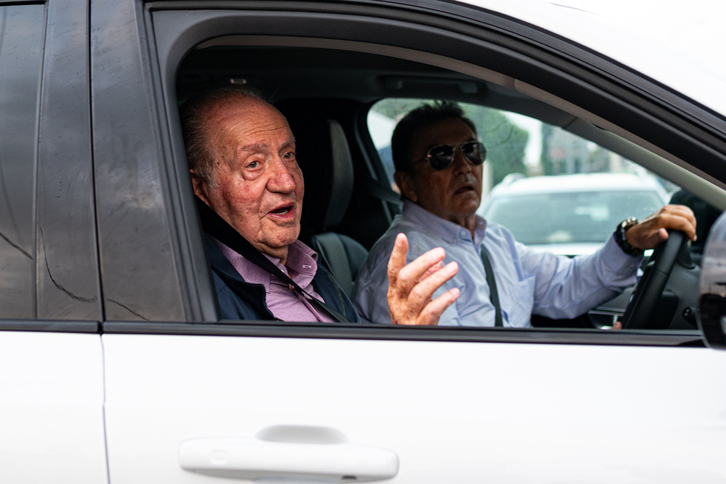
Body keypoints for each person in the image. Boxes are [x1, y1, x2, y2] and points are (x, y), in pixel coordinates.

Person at [352, 102, 697, 327]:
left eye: (471, 151)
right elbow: (448, 374)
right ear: (407, 184)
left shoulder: (493, 240)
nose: (464, 167)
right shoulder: (404, 262)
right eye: (441, 156)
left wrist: (629, 240)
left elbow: (567, 284)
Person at [180, 87, 458, 323]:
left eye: (288, 155)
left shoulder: (309, 266)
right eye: (254, 164)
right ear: (201, 189)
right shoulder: (200, 300)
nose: (287, 181)